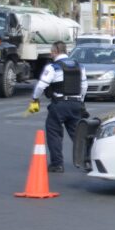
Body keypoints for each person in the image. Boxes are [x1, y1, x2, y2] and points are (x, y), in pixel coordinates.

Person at [28, 41, 87, 173]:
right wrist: (81, 101)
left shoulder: (53, 67)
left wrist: (35, 98)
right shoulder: (79, 66)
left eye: (51, 51)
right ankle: (86, 161)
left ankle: (57, 164)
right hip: (76, 104)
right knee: (77, 134)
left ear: (55, 52)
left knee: (54, 133)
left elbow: (41, 85)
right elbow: (84, 86)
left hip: (59, 104)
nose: (50, 54)